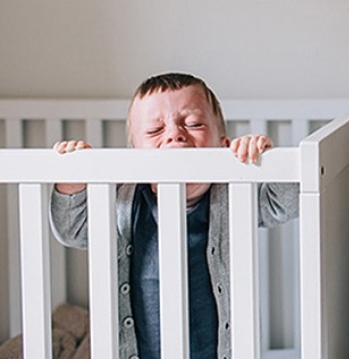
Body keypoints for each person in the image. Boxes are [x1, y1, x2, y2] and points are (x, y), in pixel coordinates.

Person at [50, 72, 298, 359]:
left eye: (193, 124)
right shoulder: (120, 200)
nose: (175, 134)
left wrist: (264, 162)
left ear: (223, 144)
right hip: (137, 350)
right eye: (155, 130)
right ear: (133, 153)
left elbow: (286, 202)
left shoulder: (234, 195)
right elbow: (72, 230)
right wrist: (72, 179)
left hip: (215, 350)